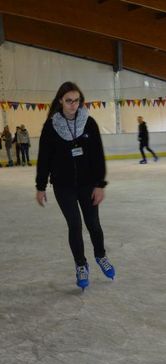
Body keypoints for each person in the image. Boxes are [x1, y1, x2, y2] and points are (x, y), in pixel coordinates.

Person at [35, 81, 116, 291]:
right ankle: (81, 265)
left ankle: (100, 255)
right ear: (60, 100)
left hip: (88, 184)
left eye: (76, 100)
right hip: (63, 186)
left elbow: (98, 156)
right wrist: (40, 185)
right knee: (75, 225)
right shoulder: (51, 126)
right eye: (68, 100)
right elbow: (44, 158)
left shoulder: (89, 124)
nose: (73, 105)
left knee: (93, 224)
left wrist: (100, 184)